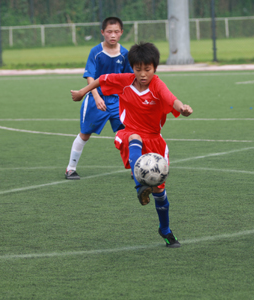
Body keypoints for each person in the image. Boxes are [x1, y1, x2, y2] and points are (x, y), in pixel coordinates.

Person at [71, 42, 193, 248]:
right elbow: (102, 79)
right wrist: (83, 92)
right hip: (130, 132)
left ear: (155, 68)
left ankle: (165, 229)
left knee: (160, 194)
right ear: (132, 68)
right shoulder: (125, 81)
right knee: (133, 138)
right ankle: (140, 185)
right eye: (138, 69)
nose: (143, 74)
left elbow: (171, 99)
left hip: (154, 140)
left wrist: (183, 108)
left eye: (148, 69)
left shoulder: (157, 85)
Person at [65, 17, 133, 180]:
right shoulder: (96, 52)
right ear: (102, 32)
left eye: (116, 31)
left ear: (121, 33)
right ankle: (70, 168)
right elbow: (90, 76)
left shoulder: (125, 54)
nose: (113, 35)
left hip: (118, 101)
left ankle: (135, 169)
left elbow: (129, 77)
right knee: (85, 134)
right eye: (109, 32)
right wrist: (96, 97)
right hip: (97, 99)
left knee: (127, 133)